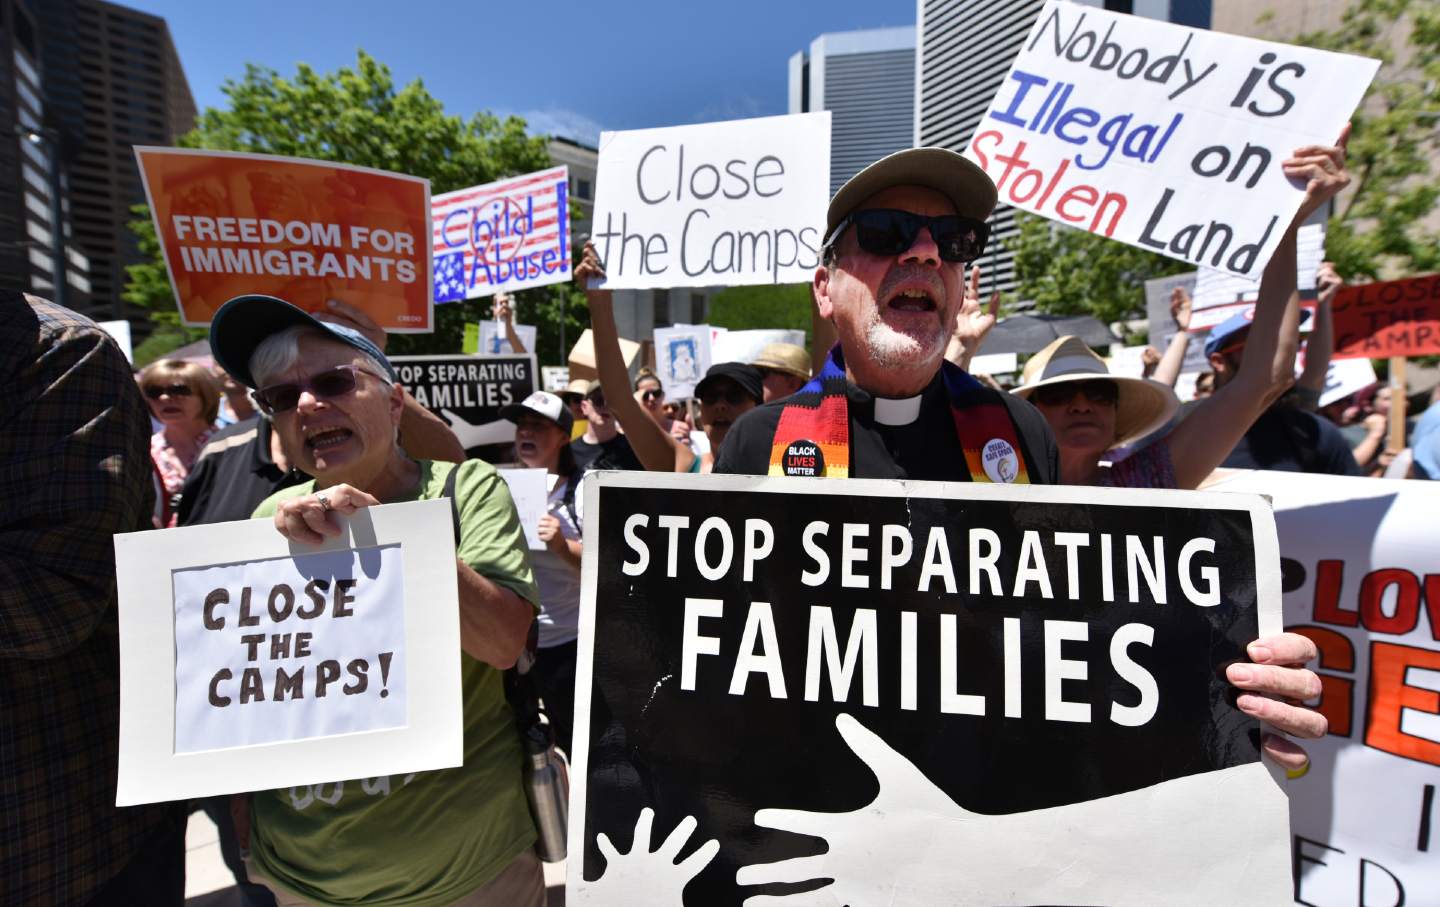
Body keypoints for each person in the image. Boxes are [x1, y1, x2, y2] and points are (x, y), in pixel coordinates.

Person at [711, 145, 1324, 768]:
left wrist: (1228, 684)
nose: (924, 252)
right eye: (885, 232)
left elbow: (1071, 629)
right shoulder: (760, 441)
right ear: (824, 288)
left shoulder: (1018, 431)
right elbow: (708, 644)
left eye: (954, 242)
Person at [208, 294, 544, 907]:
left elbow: (502, 643)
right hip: (306, 881)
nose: (308, 405)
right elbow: (248, 696)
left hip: (469, 876)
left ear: (393, 403)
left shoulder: (465, 489)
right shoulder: (266, 518)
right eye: (282, 398)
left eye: (333, 381)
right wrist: (247, 837)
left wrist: (389, 538)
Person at [1012, 127, 1350, 490]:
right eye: (1059, 395)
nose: (1082, 406)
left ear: (1116, 415)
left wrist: (1287, 224)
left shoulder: (1146, 483)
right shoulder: (987, 488)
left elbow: (1264, 378)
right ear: (1029, 417)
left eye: (1099, 394)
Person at [2, 292, 186, 905]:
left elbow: (52, 598)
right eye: (158, 395)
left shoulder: (55, 353)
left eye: (336, 381)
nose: (165, 405)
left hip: (57, 845)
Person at [501, 391, 584, 753]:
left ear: (564, 436)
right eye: (522, 425)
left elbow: (607, 561)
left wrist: (562, 546)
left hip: (565, 644)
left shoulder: (581, 490)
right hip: (511, 644)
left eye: (538, 425)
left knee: (575, 740)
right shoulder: (498, 486)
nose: (526, 432)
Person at [139, 357, 221, 525]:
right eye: (154, 392)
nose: (164, 398)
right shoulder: (145, 450)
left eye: (178, 390)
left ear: (205, 394)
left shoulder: (231, 444)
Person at [572, 381, 644, 472]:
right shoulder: (570, 452)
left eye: (612, 402)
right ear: (584, 407)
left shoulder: (635, 449)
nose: (606, 406)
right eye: (599, 400)